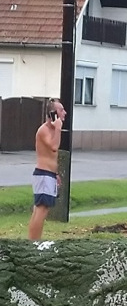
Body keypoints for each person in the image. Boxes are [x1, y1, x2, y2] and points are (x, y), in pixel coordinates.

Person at [28, 98, 66, 240]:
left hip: (49, 174)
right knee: (41, 209)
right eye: (61, 110)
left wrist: (55, 173)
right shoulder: (44, 130)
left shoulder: (52, 130)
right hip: (43, 174)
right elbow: (54, 147)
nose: (64, 113)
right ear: (53, 113)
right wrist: (57, 127)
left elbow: (51, 155)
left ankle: (34, 240)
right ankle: (34, 242)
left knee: (43, 209)